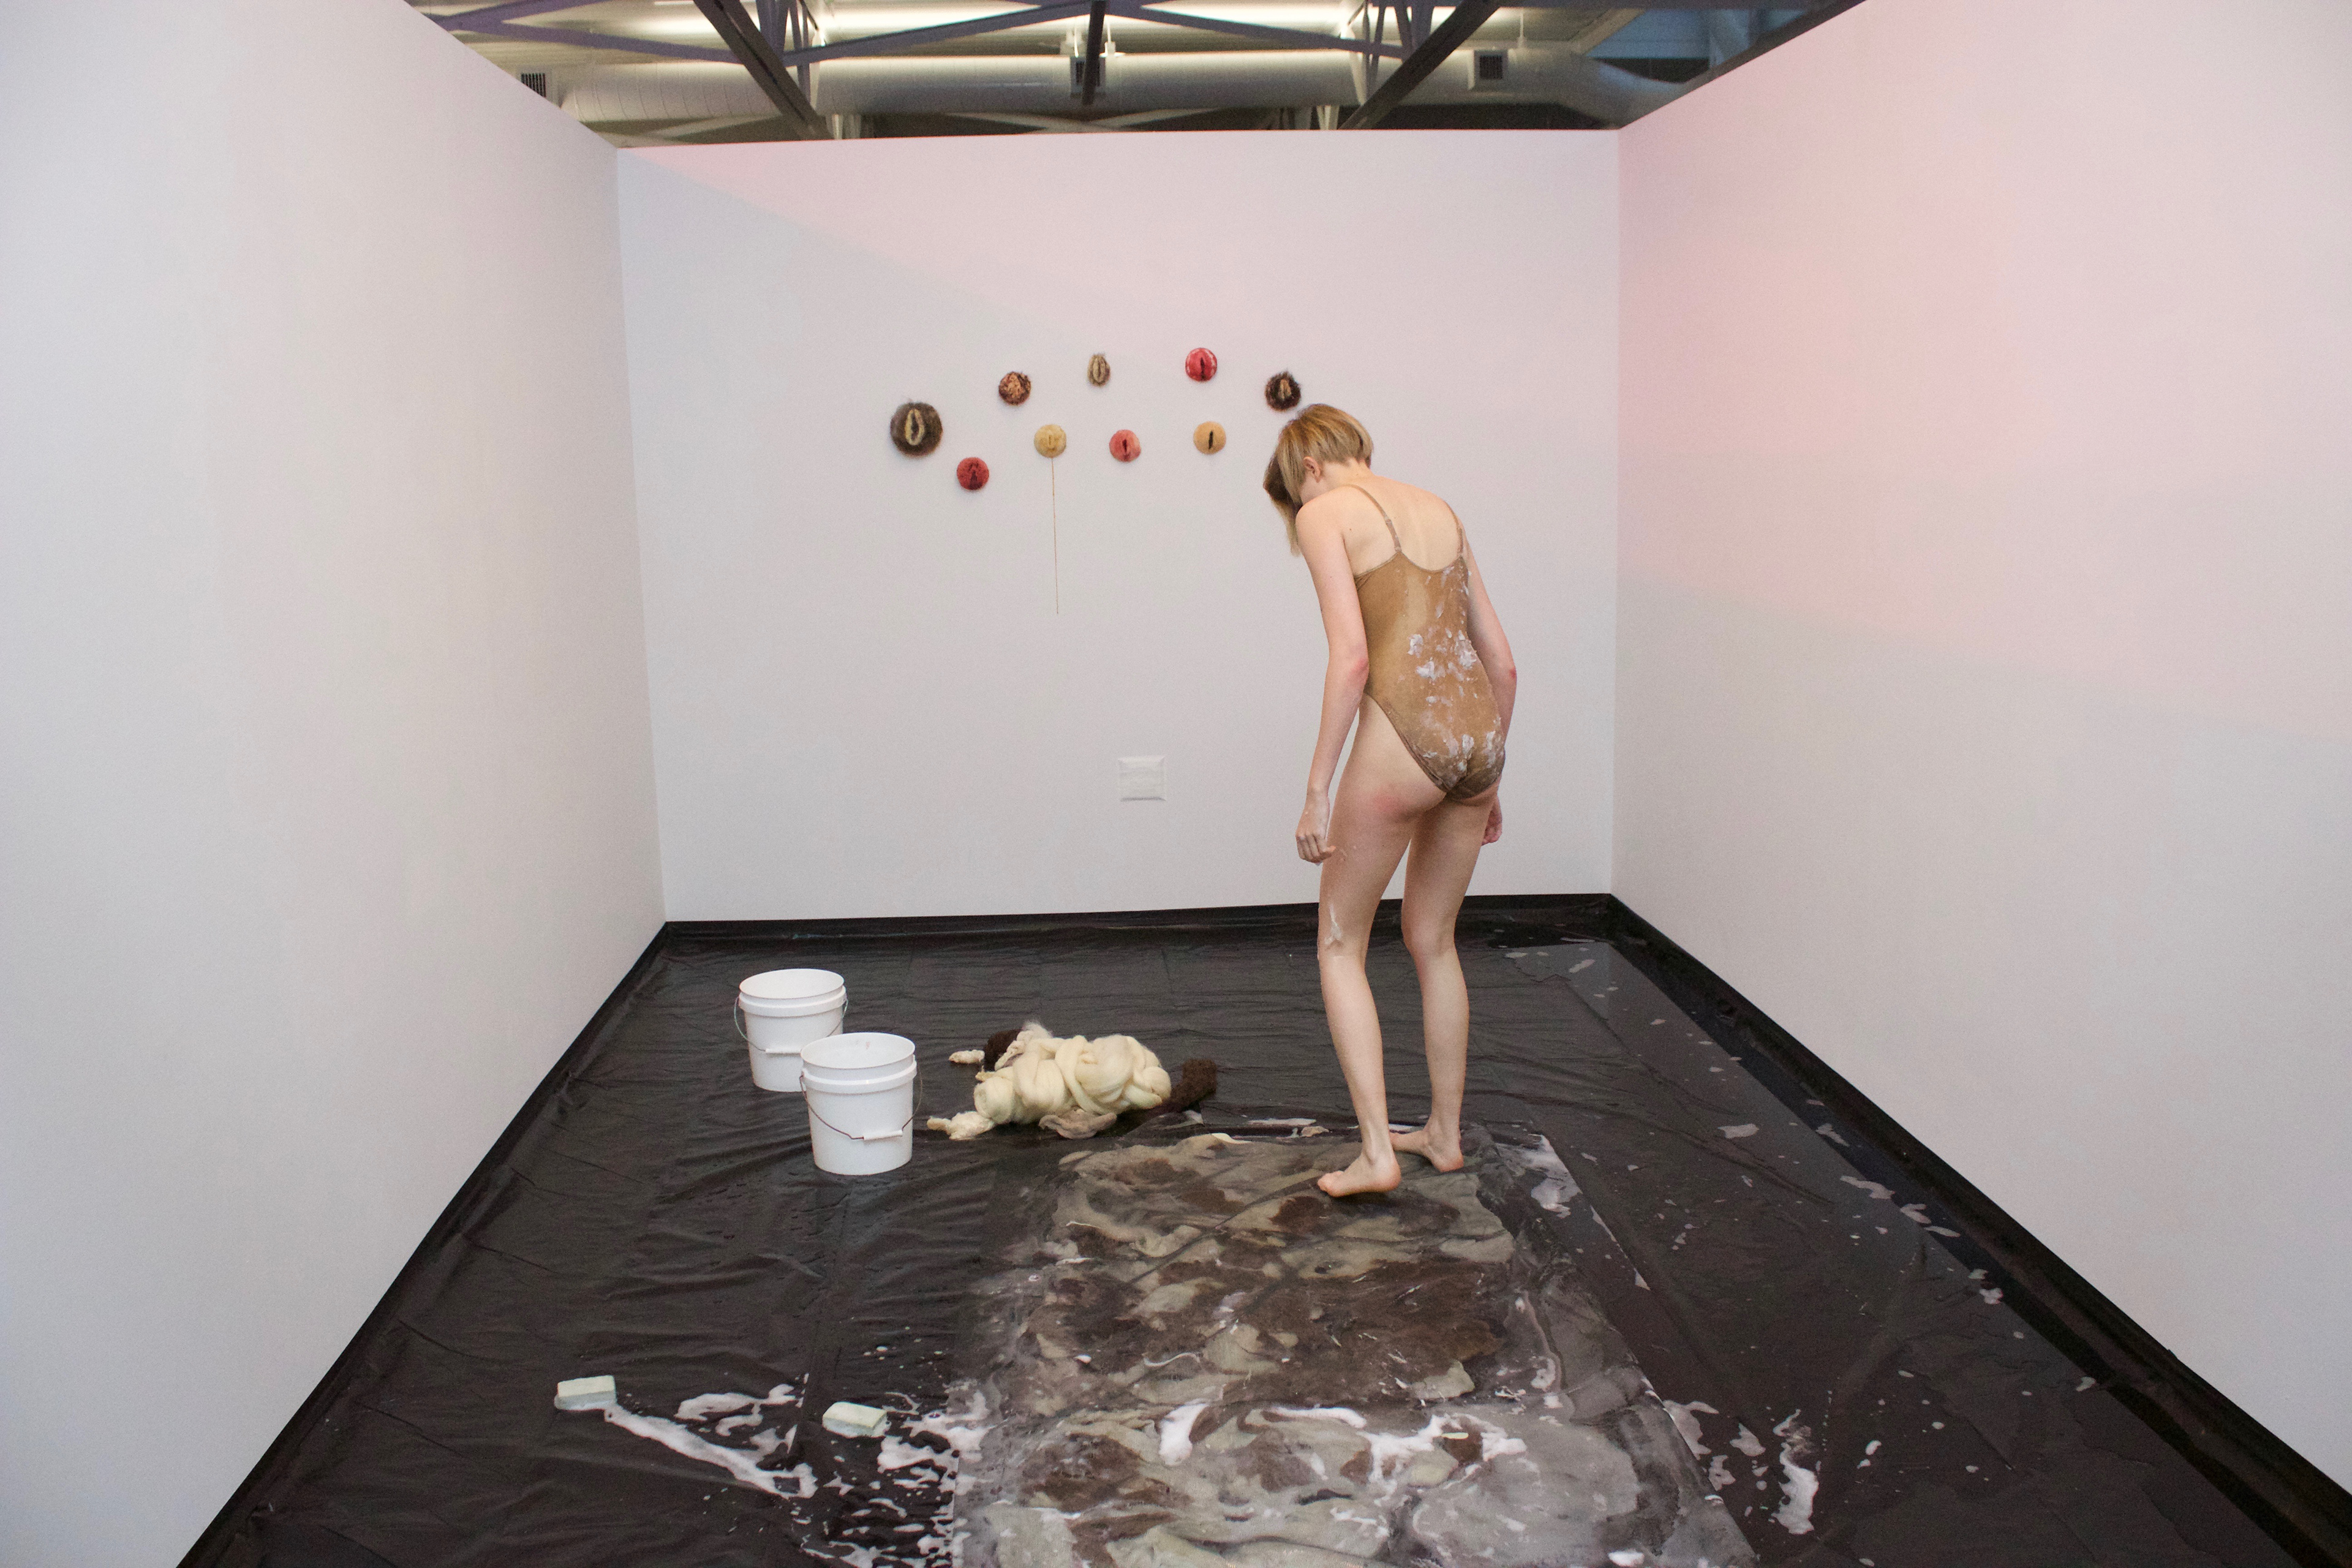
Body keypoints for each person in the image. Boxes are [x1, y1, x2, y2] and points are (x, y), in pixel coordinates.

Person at [1264, 405, 1517, 1198]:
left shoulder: (1325, 512)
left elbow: (1352, 661)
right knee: (1433, 941)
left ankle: (1377, 1155)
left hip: (1403, 736)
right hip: (1477, 734)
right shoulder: (1442, 509)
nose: (1300, 511)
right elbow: (1503, 664)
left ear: (1308, 466)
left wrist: (1317, 791)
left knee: (1340, 944)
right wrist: (1490, 777)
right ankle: (1444, 1134)